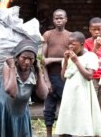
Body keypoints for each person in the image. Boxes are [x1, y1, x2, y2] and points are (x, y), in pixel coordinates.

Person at [0, 39, 49, 137]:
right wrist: (12, 67)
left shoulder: (34, 70)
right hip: (2, 110)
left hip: (21, 112)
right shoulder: (8, 67)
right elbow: (12, 92)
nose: (27, 62)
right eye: (24, 58)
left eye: (31, 59)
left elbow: (43, 95)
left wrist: (39, 71)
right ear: (17, 57)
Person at [55, 31, 101, 137]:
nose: (70, 46)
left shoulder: (90, 56)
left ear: (82, 44)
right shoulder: (68, 58)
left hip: (83, 94)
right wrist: (65, 60)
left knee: (82, 120)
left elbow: (89, 76)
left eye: (73, 44)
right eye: (68, 44)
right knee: (67, 118)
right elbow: (63, 77)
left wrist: (76, 61)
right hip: (69, 94)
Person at [41, 9, 71, 137]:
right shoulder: (47, 35)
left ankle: (66, 133)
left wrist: (53, 59)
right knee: (48, 109)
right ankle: (49, 135)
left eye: (61, 18)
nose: (59, 20)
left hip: (66, 78)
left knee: (67, 108)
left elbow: (72, 58)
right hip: (50, 76)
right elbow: (42, 60)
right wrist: (46, 81)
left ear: (66, 19)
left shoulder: (71, 36)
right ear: (53, 20)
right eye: (56, 18)